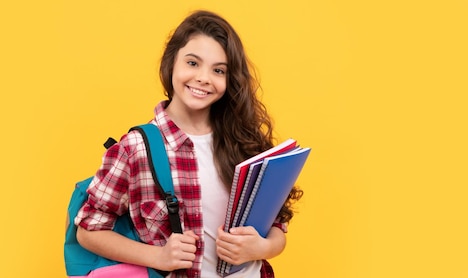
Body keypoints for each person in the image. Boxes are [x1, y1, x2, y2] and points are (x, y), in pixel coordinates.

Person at [75, 10, 303, 278]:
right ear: (171, 63)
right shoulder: (135, 148)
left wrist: (262, 247)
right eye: (193, 63)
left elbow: (278, 226)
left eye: (218, 70)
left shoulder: (244, 141)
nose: (204, 78)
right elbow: (89, 229)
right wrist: (158, 256)